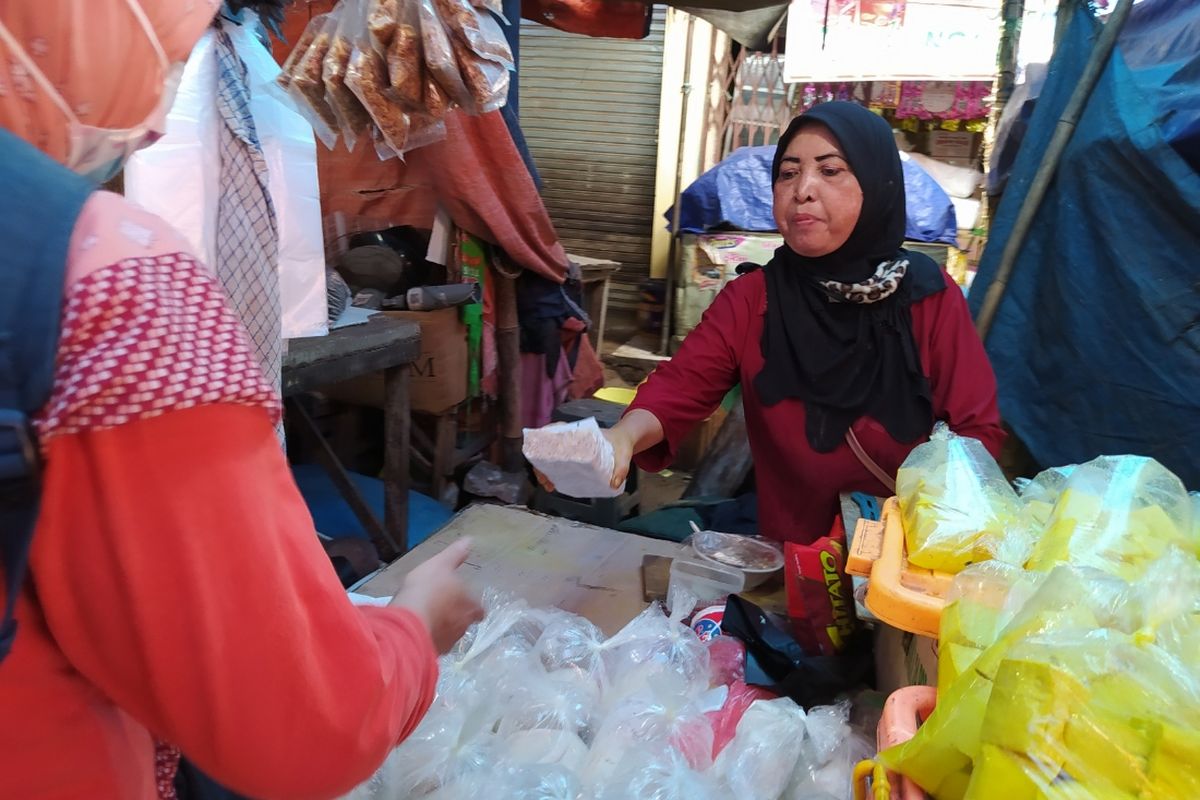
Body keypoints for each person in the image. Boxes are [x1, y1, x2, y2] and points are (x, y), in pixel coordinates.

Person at [0, 3, 483, 798]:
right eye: (159, 68)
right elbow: (302, 724)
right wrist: (413, 627)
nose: (153, 129)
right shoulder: (114, 285)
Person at [554, 102, 1004, 544]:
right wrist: (623, 438)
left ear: (877, 184)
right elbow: (681, 385)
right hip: (787, 553)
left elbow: (976, 432)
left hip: (900, 559)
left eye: (830, 171)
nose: (803, 189)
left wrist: (928, 541)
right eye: (788, 173)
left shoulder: (929, 296)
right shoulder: (754, 299)